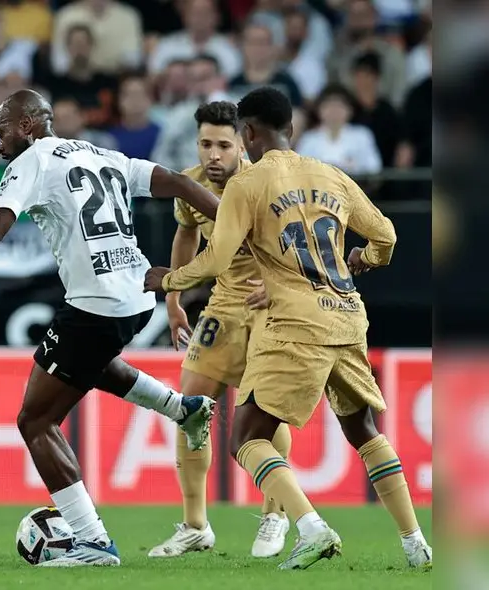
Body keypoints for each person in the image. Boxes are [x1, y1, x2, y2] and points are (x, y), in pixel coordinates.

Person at [0, 89, 220, 567]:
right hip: (138, 296)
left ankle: (92, 541)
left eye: (3, 131)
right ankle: (182, 409)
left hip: (97, 304)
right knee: (90, 364)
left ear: (30, 125)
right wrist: (231, 220)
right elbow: (178, 180)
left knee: (35, 420)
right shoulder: (99, 152)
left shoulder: (32, 159)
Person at [145, 87, 433, 571]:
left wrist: (168, 282)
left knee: (246, 437)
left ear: (248, 134)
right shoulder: (332, 174)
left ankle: (311, 527)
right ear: (293, 130)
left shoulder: (247, 183)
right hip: (346, 315)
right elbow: (385, 234)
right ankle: (415, 542)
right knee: (362, 429)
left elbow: (215, 257)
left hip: (295, 320)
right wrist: (365, 258)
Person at [148, 100, 293, 560]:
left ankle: (276, 513)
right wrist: (173, 303)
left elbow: (303, 236)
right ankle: (195, 525)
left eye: (223, 145)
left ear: (243, 143)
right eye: (205, 144)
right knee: (189, 408)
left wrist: (279, 284)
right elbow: (186, 235)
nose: (213, 154)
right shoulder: (189, 185)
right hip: (224, 303)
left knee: (264, 407)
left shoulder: (267, 181)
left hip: (270, 301)